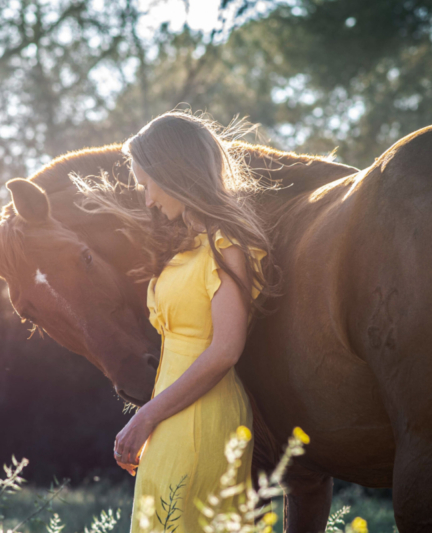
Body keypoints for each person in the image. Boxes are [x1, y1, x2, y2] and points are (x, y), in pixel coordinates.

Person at [77, 111, 280, 533]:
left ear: (175, 173)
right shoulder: (188, 247)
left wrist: (146, 416)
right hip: (171, 415)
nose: (147, 199)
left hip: (202, 417)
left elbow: (226, 349)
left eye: (148, 184)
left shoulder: (227, 245)